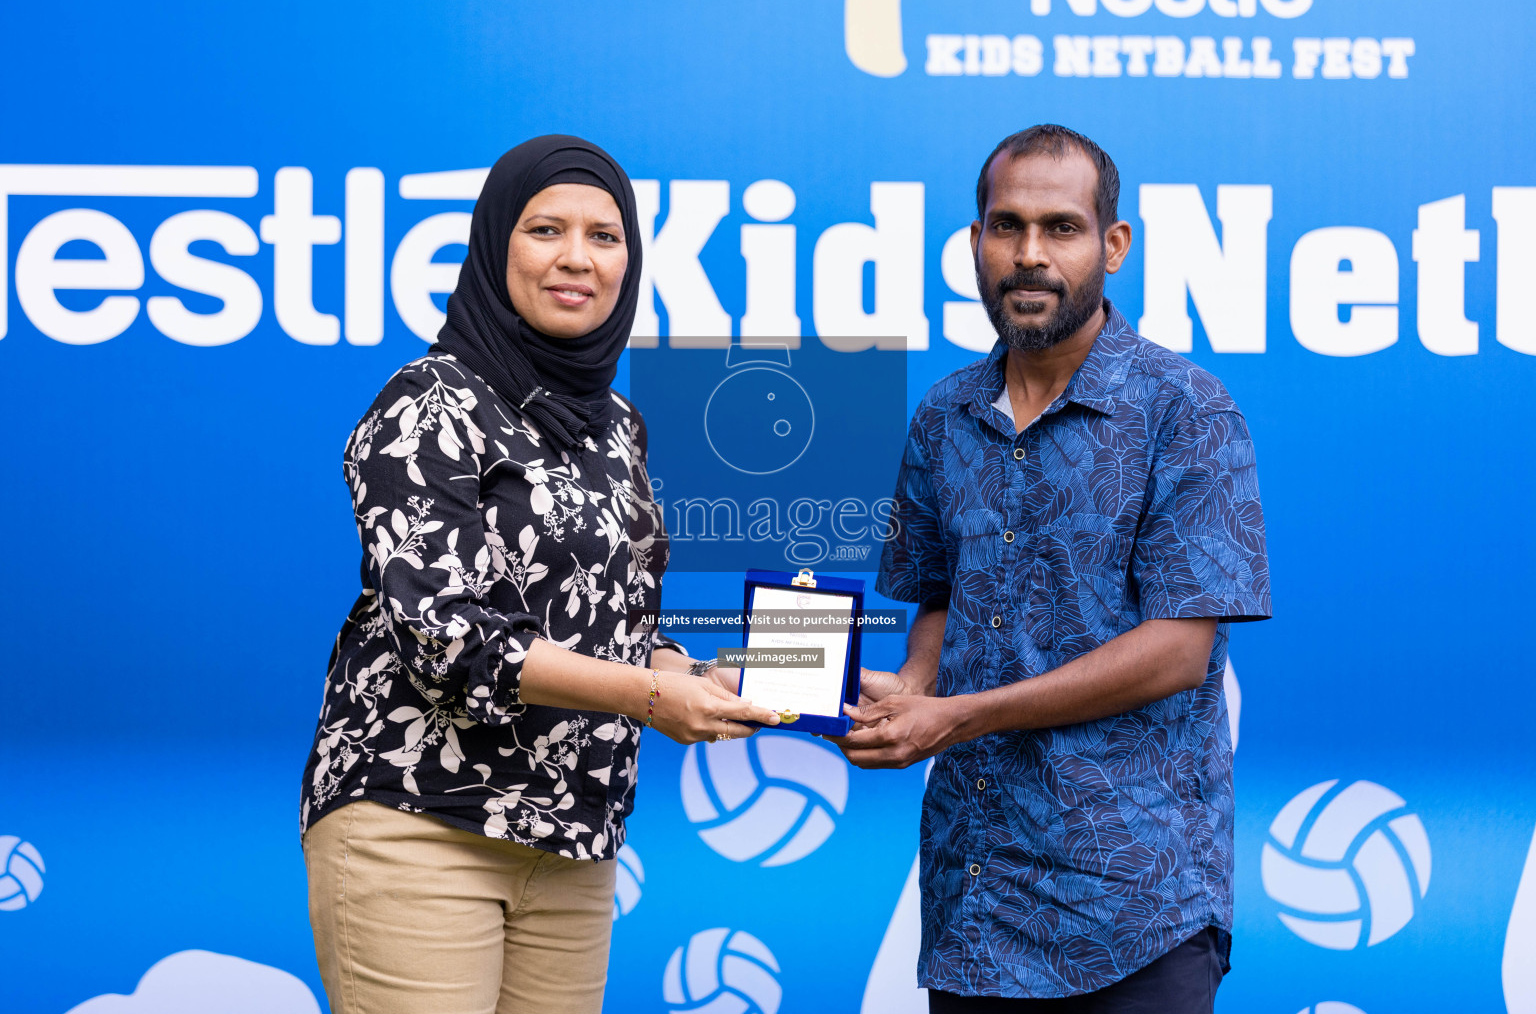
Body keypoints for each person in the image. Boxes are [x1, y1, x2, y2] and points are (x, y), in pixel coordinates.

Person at [298, 135, 779, 1014]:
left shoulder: (615, 423)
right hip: (422, 821)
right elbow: (444, 637)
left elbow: (617, 623)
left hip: (572, 839)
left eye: (606, 236)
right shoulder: (426, 402)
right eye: (545, 229)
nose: (577, 259)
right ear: (494, 247)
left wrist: (698, 676)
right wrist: (646, 697)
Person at [837, 125, 1271, 1012]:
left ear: (1113, 245)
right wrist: (912, 686)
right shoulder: (945, 414)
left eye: (1061, 228)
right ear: (974, 244)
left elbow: (1179, 651)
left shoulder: (1185, 409)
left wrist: (957, 717)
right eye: (1007, 227)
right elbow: (940, 594)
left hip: (1134, 907)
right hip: (976, 900)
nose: (1030, 255)